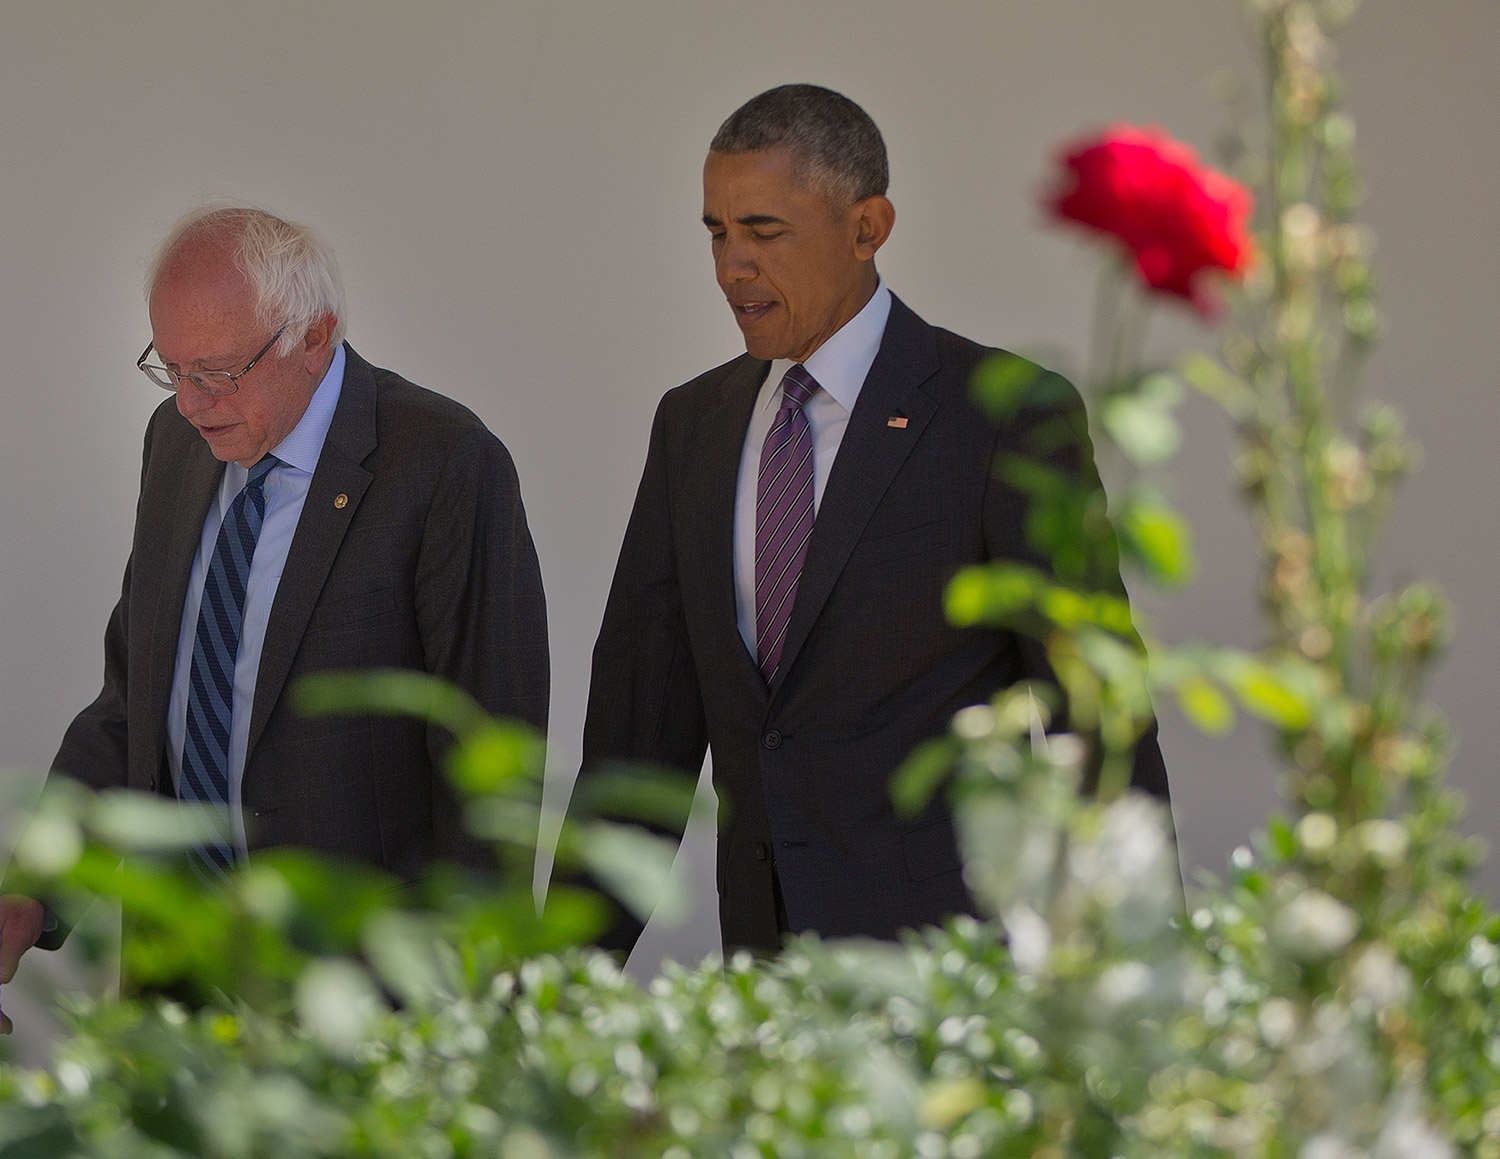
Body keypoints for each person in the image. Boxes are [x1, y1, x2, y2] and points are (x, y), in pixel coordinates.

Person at [571, 84, 1169, 955]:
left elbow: (1097, 714)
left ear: (868, 227)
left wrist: (1142, 977)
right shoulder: (691, 424)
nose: (731, 266)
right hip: (765, 973)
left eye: (764, 231)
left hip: (948, 977)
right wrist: (556, 993)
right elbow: (637, 736)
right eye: (716, 231)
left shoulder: (1002, 418)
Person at [0, 205, 549, 1017]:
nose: (191, 402)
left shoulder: (442, 463)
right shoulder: (179, 445)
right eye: (171, 369)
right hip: (182, 977)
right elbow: (134, 707)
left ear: (314, 336)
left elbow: (488, 760)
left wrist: (458, 1006)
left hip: (364, 991)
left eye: (218, 372)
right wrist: (32, 892)